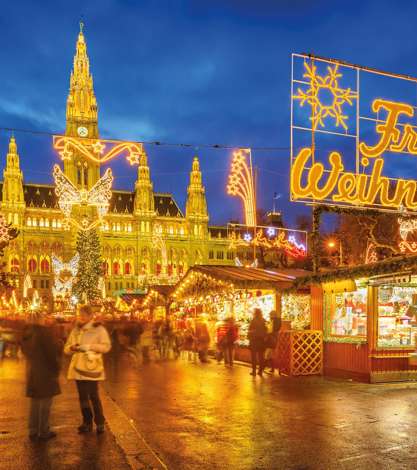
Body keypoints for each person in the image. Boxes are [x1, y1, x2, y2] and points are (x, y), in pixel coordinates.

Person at [64, 305, 111, 434]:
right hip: (78, 368)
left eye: (84, 315)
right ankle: (87, 422)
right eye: (80, 315)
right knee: (83, 397)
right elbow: (66, 348)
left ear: (91, 316)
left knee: (94, 396)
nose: (82, 317)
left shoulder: (99, 329)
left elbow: (106, 347)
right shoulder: (76, 330)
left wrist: (90, 347)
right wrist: (72, 348)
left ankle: (100, 422)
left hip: (91, 367)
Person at [21, 313, 62, 441]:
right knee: (45, 401)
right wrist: (56, 369)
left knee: (35, 401)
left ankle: (33, 429)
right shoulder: (44, 333)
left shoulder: (26, 333)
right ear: (40, 320)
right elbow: (51, 353)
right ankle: (43, 430)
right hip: (45, 371)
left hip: (32, 371)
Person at [248, 308, 268, 376]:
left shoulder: (253, 321)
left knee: (254, 357)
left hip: (254, 341)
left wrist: (250, 337)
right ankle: (260, 371)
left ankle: (254, 371)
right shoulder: (264, 320)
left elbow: (250, 330)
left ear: (255, 313)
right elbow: (266, 330)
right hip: (262, 341)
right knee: (261, 357)